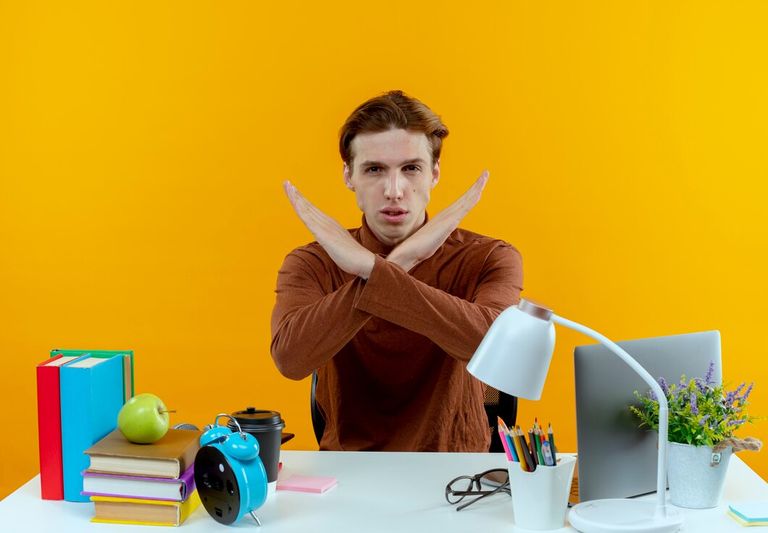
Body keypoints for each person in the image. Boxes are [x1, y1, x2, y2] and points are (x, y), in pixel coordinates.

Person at [270, 90, 523, 452]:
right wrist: (398, 265)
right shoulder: (312, 263)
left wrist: (369, 269)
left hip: (459, 474)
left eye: (411, 168)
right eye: (374, 170)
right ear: (349, 176)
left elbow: (500, 353)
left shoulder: (488, 257)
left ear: (434, 174)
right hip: (346, 474)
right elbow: (291, 359)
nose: (394, 190)